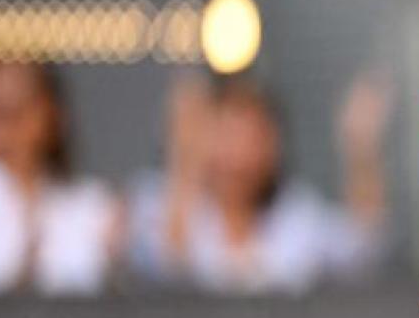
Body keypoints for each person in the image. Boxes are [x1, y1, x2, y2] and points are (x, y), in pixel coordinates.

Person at [128, 72, 392, 294]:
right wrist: (184, 159)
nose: (237, 156)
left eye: (251, 138)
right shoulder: (158, 205)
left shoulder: (296, 219)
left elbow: (362, 245)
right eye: (225, 135)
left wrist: (360, 146)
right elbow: (164, 265)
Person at [0, 62, 119, 295]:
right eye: (2, 113)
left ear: (51, 113)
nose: (17, 128)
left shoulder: (93, 206)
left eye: (26, 107)